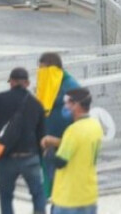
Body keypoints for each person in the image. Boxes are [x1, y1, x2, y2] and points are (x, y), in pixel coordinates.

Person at [0, 68, 48, 214]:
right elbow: (42, 136)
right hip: (30, 156)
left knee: (6, 196)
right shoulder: (37, 105)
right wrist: (39, 159)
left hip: (6, 157)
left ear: (11, 82)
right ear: (27, 83)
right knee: (38, 194)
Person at [40, 87, 102, 214]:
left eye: (67, 102)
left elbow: (60, 162)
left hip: (69, 198)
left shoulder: (72, 131)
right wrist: (56, 141)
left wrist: (49, 152)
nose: (65, 106)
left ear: (76, 105)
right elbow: (79, 146)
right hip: (89, 195)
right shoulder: (95, 125)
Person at [34, 52, 80, 199]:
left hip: (64, 145)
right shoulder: (45, 86)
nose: (40, 74)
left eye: (43, 69)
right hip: (48, 145)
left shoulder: (71, 87)